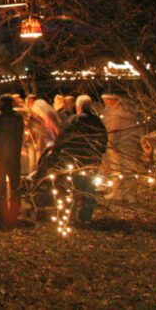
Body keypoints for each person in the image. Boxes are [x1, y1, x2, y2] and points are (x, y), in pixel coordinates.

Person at [54, 95, 108, 223]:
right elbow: (103, 139)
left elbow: (62, 138)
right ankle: (85, 217)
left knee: (74, 189)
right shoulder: (97, 121)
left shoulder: (73, 120)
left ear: (78, 107)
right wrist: (98, 153)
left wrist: (57, 152)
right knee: (89, 189)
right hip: (91, 159)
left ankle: (70, 217)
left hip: (74, 159)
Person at [0, 94, 25, 229]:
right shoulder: (18, 117)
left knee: (0, 186)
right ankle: (13, 214)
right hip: (14, 156)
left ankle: (3, 215)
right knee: (15, 186)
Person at [100, 93, 144, 202]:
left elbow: (112, 131)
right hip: (129, 145)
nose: (105, 103)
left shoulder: (117, 114)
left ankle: (118, 192)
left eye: (107, 100)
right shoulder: (127, 113)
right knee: (129, 170)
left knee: (118, 170)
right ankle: (128, 194)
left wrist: (110, 145)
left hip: (120, 146)